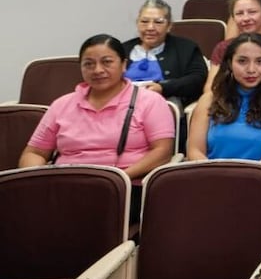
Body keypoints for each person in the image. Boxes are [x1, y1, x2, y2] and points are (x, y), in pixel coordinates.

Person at [20, 34, 175, 212]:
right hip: (65, 187)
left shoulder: (149, 101)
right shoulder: (61, 104)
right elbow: (34, 152)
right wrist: (35, 181)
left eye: (107, 62)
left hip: (125, 187)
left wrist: (118, 178)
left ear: (124, 65)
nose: (97, 70)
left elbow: (162, 151)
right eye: (89, 64)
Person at [187, 33, 261, 164]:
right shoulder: (209, 99)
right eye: (242, 61)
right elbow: (194, 151)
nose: (251, 69)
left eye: (260, 62)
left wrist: (247, 177)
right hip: (212, 177)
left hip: (259, 178)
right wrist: (215, 175)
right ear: (229, 63)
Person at [122, 0, 207, 109]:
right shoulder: (122, 49)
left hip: (165, 103)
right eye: (144, 21)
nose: (150, 27)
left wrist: (163, 88)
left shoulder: (186, 48)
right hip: (124, 103)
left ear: (169, 26)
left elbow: (198, 79)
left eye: (158, 22)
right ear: (137, 23)